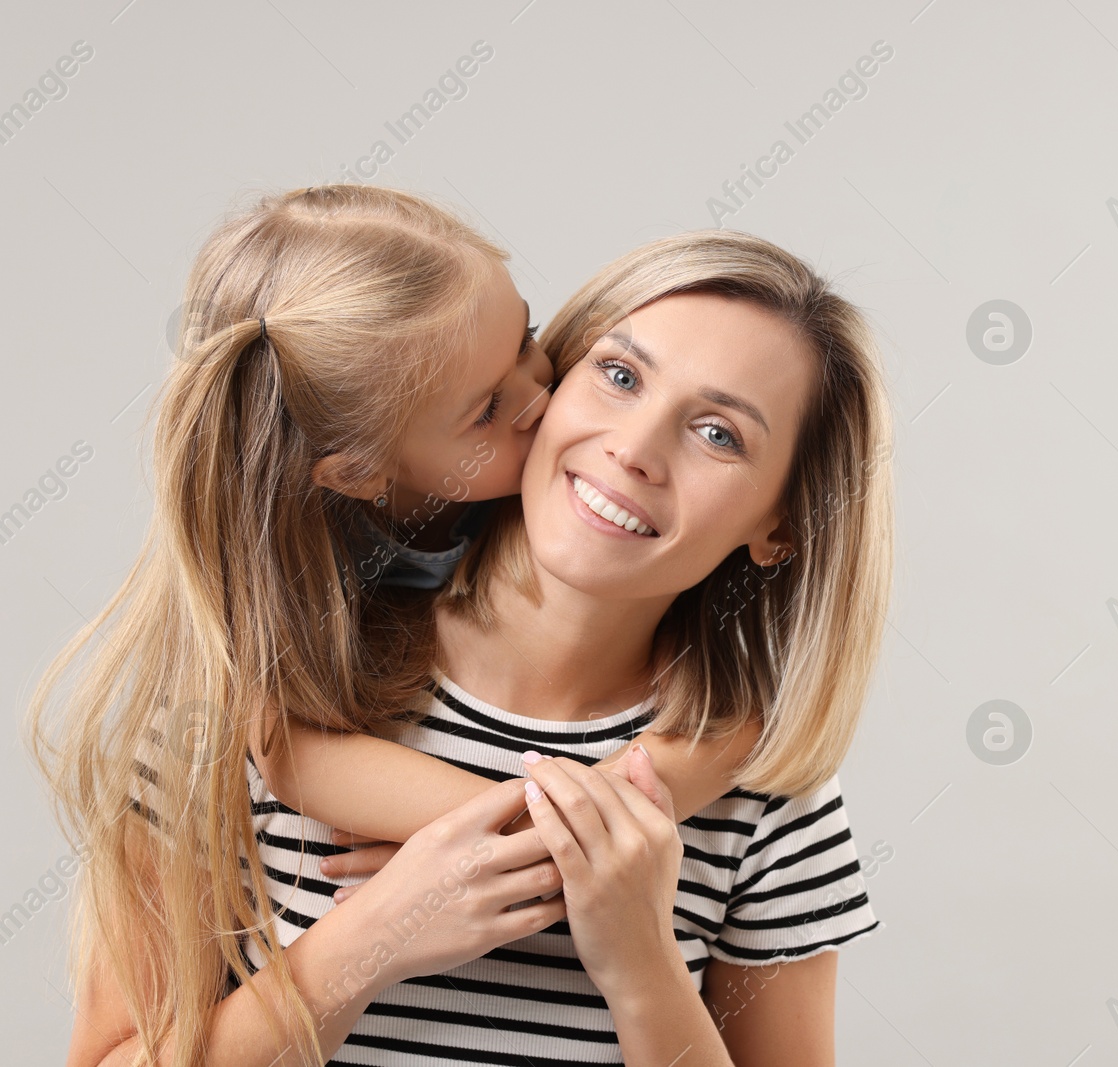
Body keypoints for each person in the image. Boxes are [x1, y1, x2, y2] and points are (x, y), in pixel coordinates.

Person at [25, 190, 850, 1065]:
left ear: (782, 524)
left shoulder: (767, 787)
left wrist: (642, 960)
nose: (633, 447)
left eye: (719, 432)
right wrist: (372, 936)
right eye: (618, 374)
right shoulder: (258, 693)